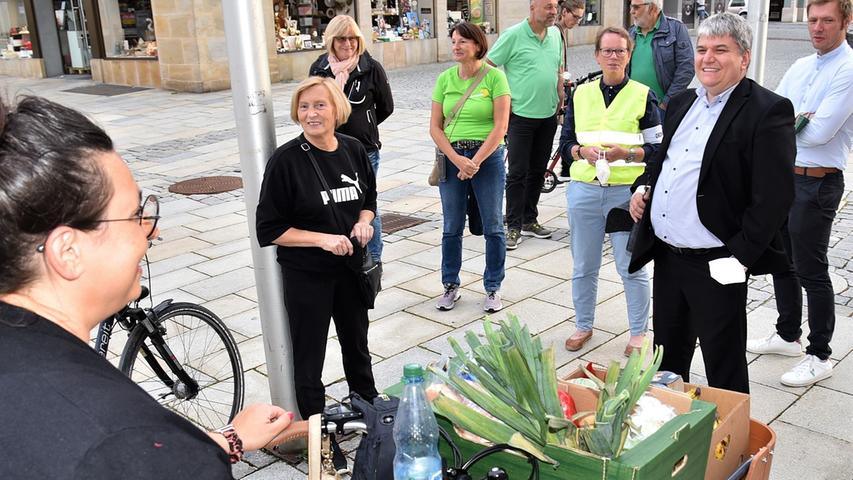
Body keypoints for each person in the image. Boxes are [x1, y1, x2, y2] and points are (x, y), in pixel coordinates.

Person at [0, 96, 294, 478]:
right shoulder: (130, 442)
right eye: (135, 214)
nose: (151, 231)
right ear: (67, 251)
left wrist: (228, 440)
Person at [628, 12, 796, 394]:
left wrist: (737, 257)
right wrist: (642, 188)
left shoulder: (767, 110)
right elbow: (662, 161)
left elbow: (774, 197)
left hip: (718, 261)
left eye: (721, 49)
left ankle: (733, 447)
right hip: (669, 257)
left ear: (744, 57)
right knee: (666, 363)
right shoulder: (684, 101)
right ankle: (668, 435)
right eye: (702, 49)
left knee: (724, 366)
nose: (708, 58)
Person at [256, 76, 379, 420]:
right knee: (310, 356)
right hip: (308, 276)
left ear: (336, 109)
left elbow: (368, 197)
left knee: (357, 345)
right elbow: (269, 229)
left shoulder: (353, 149)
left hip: (350, 270)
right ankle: (316, 428)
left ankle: (367, 408)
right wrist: (321, 239)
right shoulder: (286, 161)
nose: (311, 113)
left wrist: (364, 221)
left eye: (319, 105)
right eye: (305, 106)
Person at [746, 0, 853, 387]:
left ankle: (820, 354)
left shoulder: (848, 68)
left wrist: (789, 122)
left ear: (846, 20)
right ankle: (788, 334)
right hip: (785, 177)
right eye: (813, 20)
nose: (817, 28)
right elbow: (768, 110)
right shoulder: (801, 65)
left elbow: (821, 131)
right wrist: (796, 118)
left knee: (812, 269)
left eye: (827, 20)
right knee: (782, 261)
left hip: (819, 181)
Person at [559, 27, 661, 355]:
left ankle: (637, 332)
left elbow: (658, 149)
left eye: (620, 51)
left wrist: (626, 155)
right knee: (583, 265)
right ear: (597, 55)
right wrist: (580, 152)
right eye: (607, 51)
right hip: (585, 190)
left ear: (629, 55)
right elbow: (566, 144)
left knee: (630, 264)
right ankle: (583, 324)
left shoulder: (644, 95)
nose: (613, 56)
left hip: (623, 194)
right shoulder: (581, 94)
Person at [430, 21, 511, 313]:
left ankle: (492, 287)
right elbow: (435, 128)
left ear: (478, 44)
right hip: (452, 158)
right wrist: (457, 159)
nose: (456, 46)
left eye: (463, 41)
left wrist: (475, 162)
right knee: (451, 226)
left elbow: (501, 126)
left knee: (493, 225)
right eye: (453, 41)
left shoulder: (495, 78)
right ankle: (450, 285)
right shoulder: (445, 79)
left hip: (486, 158)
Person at [309, 15, 394, 264]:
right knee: (335, 200)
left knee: (367, 203)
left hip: (363, 149)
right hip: (327, 148)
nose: (348, 44)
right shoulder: (320, 68)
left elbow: (386, 107)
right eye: (342, 38)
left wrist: (364, 127)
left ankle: (373, 256)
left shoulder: (371, 67)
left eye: (353, 38)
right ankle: (343, 247)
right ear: (331, 41)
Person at [487, 0, 562, 250]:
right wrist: (500, 105)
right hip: (519, 115)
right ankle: (513, 225)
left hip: (548, 114)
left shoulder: (555, 35)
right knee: (517, 173)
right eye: (548, 6)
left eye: (555, 7)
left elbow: (558, 69)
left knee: (537, 171)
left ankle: (530, 219)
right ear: (533, 7)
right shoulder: (513, 35)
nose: (554, 12)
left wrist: (560, 99)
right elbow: (489, 68)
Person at [628, 0, 694, 117]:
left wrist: (666, 103)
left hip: (661, 109)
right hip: (632, 106)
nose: (631, 11)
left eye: (636, 7)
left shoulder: (676, 29)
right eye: (631, 7)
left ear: (652, 8)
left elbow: (686, 68)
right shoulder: (631, 32)